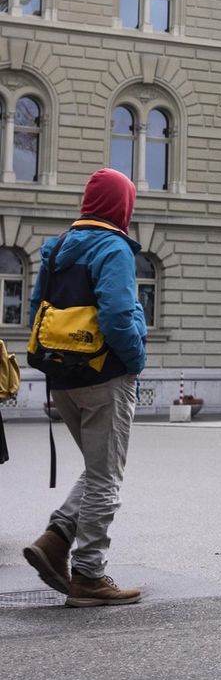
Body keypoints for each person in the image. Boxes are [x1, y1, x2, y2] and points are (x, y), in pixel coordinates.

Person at [22, 168, 147, 606]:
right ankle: (89, 575)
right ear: (122, 205)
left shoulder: (57, 247)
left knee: (96, 471)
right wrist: (134, 362)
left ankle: (55, 539)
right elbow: (116, 314)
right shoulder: (113, 248)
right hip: (103, 375)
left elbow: (37, 307)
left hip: (62, 378)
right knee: (107, 478)